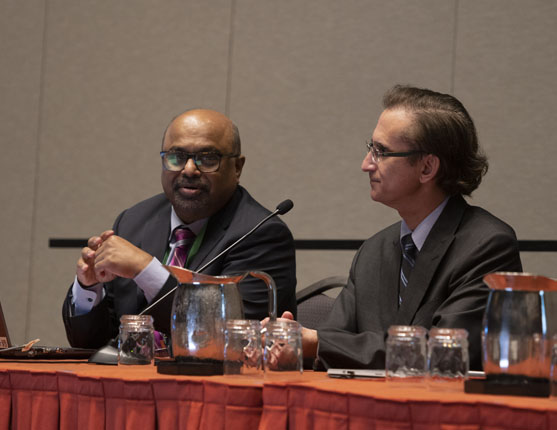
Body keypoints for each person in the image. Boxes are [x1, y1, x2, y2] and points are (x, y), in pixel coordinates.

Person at [276, 85, 522, 370]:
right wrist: (290, 348)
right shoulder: (374, 250)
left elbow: (442, 353)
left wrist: (316, 343)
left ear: (427, 168)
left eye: (381, 151)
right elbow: (333, 342)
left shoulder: (487, 246)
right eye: (370, 148)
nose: (366, 164)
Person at [62, 109, 297, 348]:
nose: (189, 170)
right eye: (176, 157)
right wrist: (89, 289)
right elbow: (92, 345)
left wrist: (146, 270)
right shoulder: (133, 221)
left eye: (207, 159)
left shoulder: (262, 234)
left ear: (237, 167)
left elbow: (235, 339)